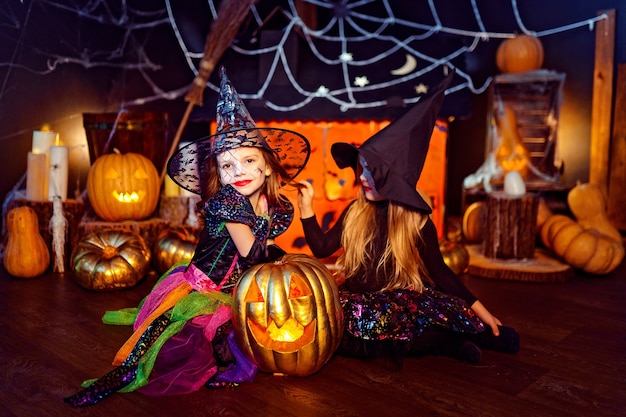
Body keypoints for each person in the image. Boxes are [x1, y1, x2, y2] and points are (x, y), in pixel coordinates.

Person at [65, 67, 310, 406]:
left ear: (267, 166)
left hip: (237, 289)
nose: (238, 172)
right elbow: (253, 253)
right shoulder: (228, 202)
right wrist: (282, 256)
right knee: (192, 350)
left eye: (248, 160)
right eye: (227, 165)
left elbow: (263, 246)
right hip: (206, 290)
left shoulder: (269, 204)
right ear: (219, 174)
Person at [296, 71, 519, 364]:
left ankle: (470, 336)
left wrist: (482, 311)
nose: (362, 178)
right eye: (360, 169)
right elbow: (323, 248)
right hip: (361, 303)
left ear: (395, 178)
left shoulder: (415, 220)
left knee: (429, 317)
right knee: (344, 332)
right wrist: (307, 209)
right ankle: (446, 344)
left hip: (398, 298)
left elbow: (441, 273)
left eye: (371, 171)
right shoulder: (356, 211)